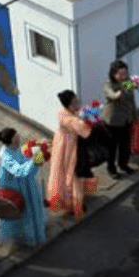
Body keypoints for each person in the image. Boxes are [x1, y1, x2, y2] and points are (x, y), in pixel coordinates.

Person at [0, 127, 47, 248]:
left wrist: (38, 154)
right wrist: (35, 158)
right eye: (16, 137)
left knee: (32, 209)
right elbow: (20, 171)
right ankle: (26, 238)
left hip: (26, 185)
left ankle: (37, 234)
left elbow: (28, 163)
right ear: (11, 140)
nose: (19, 138)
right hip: (16, 191)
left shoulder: (16, 148)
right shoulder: (6, 156)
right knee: (23, 215)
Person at [47, 90, 92, 222]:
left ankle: (75, 201)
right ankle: (73, 205)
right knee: (71, 176)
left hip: (70, 145)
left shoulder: (69, 112)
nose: (77, 104)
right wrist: (88, 118)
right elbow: (83, 129)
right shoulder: (65, 116)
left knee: (73, 175)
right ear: (67, 104)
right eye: (74, 102)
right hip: (66, 148)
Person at [102, 60, 138, 180]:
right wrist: (120, 92)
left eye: (125, 73)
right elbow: (112, 94)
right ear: (113, 74)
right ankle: (111, 169)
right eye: (120, 74)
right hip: (112, 122)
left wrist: (135, 116)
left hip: (126, 119)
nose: (124, 76)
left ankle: (123, 165)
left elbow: (131, 100)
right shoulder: (109, 85)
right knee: (111, 148)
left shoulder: (127, 82)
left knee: (125, 146)